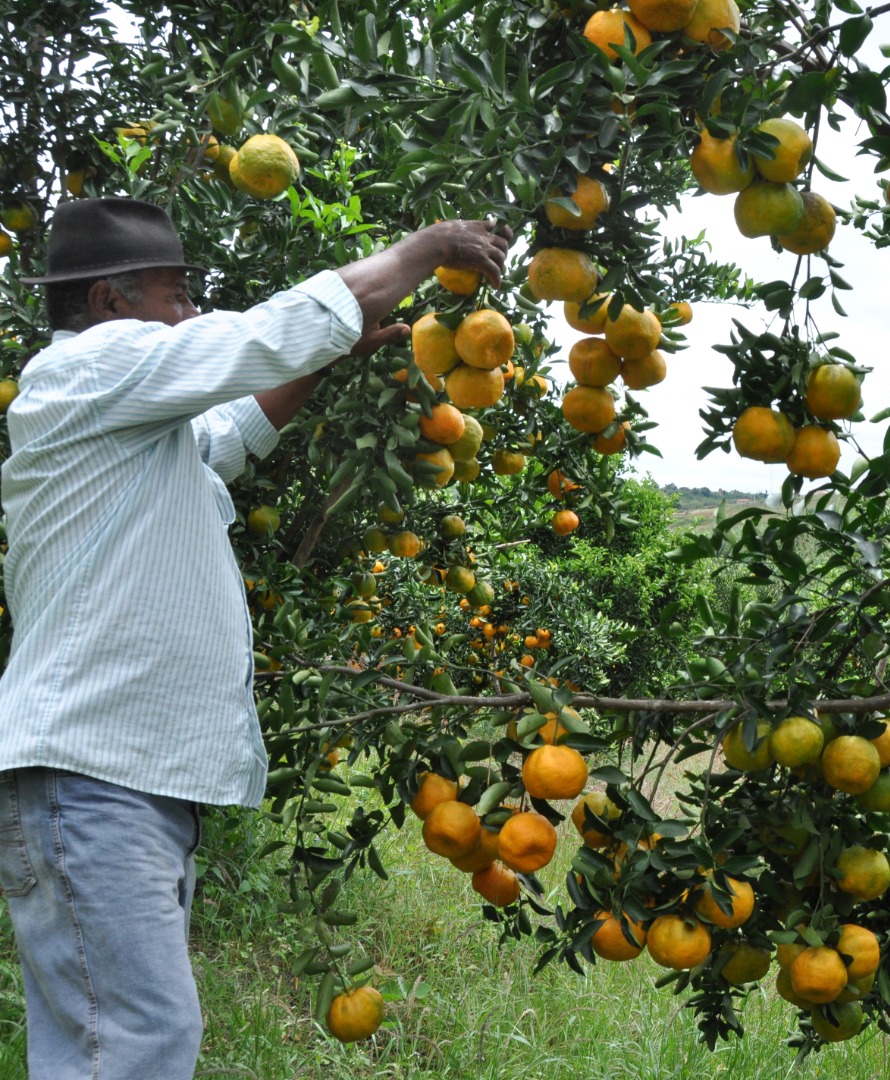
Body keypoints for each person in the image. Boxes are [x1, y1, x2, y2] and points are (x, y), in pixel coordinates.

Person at [0, 197, 510, 1078]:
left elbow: (229, 435)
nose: (189, 313)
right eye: (176, 294)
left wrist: (326, 353)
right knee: (136, 1045)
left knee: (104, 1046)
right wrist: (422, 251)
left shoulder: (129, 424)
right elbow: (251, 340)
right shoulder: (89, 366)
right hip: (91, 780)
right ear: (110, 303)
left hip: (119, 782)